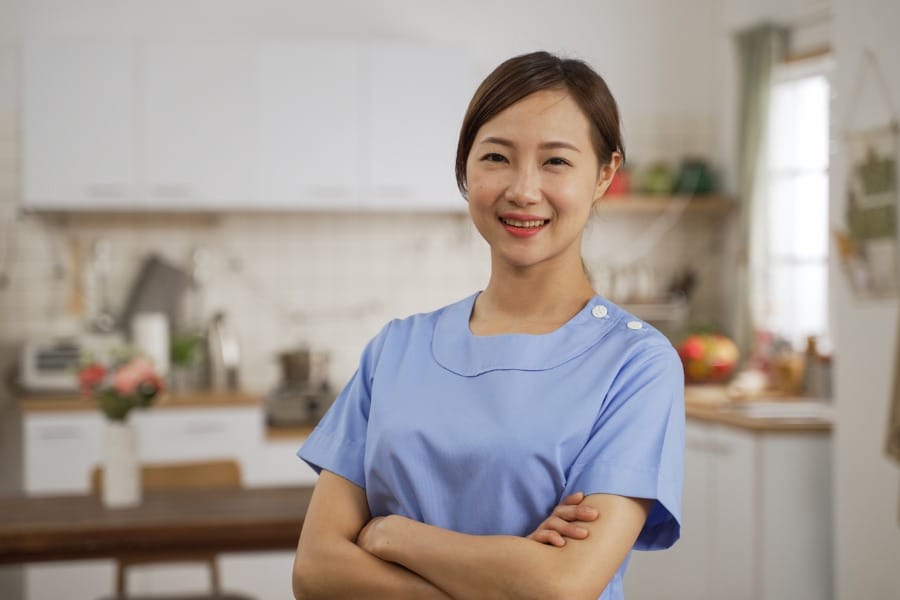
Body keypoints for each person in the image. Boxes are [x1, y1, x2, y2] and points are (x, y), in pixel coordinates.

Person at [292, 50, 685, 600]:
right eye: (497, 157)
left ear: (604, 175)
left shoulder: (636, 365)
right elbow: (315, 573)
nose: (523, 190)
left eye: (556, 162)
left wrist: (392, 534)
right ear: (465, 170)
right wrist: (504, 576)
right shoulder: (396, 349)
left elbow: (562, 586)